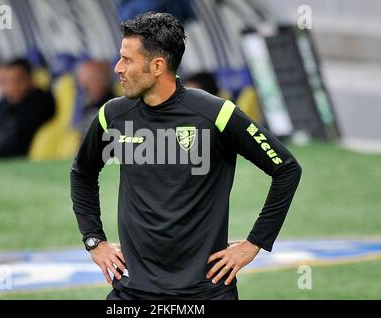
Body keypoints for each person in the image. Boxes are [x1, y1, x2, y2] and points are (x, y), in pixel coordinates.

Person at [70, 12, 302, 300]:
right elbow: (82, 173)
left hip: (204, 292)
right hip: (133, 291)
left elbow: (286, 169)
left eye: (127, 60)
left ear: (157, 65)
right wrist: (95, 241)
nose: (118, 68)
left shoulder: (216, 114)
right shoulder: (113, 115)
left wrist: (255, 243)